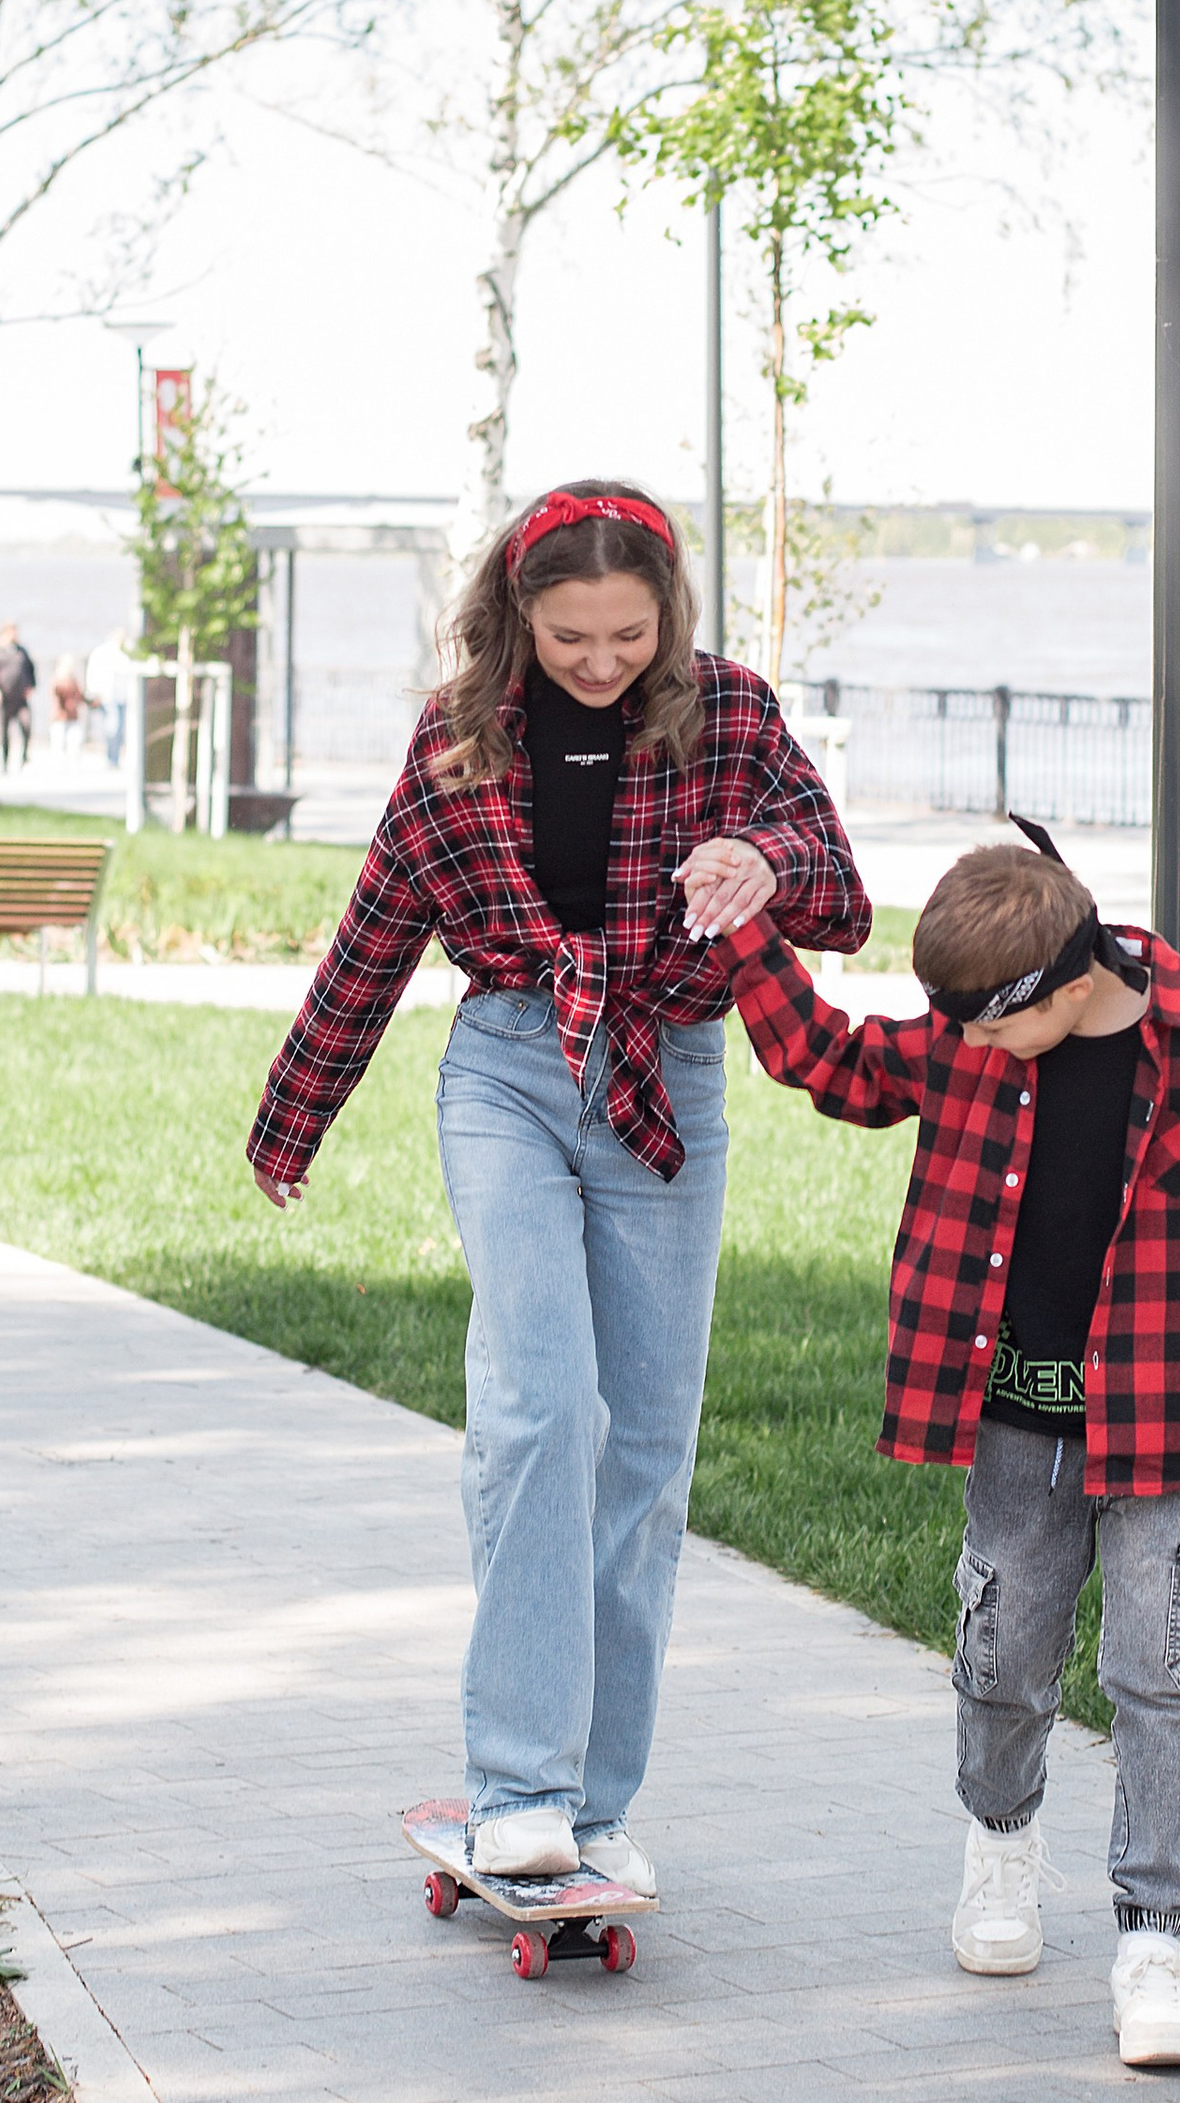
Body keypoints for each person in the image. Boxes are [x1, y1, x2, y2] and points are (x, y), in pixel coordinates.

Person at [246, 479, 869, 1893]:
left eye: (629, 636)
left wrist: (759, 859)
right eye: (573, 636)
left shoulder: (731, 715)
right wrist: (295, 1119)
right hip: (512, 1070)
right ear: (518, 615)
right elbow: (379, 930)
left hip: (670, 1078)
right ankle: (517, 1781)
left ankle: (593, 1804)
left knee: (642, 1445)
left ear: (670, 616)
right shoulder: (461, 734)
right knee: (537, 1407)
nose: (603, 664)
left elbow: (843, 890)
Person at [721, 815, 1180, 2074]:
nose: (968, 1045)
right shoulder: (973, 1030)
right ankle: (999, 1845)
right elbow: (829, 1061)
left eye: (991, 1023)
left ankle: (1155, 1939)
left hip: (1165, 1427)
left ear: (1072, 978)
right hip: (1014, 1426)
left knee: (1163, 1674)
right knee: (1000, 1658)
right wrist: (746, 933)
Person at [0, 621, 37, 772]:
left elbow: (31, 669)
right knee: (3, 733)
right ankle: (5, 763)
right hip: (4, 699)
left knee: (26, 726)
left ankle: (24, 757)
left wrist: (31, 686)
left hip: (20, 698)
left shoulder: (21, 651)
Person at [84, 628, 133, 772]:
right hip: (107, 695)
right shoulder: (102, 653)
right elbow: (93, 673)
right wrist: (94, 692)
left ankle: (115, 757)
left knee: (119, 728)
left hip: (121, 696)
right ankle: (111, 758)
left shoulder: (124, 654)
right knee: (112, 726)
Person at [51, 653, 89, 759]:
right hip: (60, 717)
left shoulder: (73, 681)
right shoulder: (57, 680)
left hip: (73, 716)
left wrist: (92, 701)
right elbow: (56, 694)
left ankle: (73, 765)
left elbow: (79, 696)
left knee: (75, 742)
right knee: (58, 744)